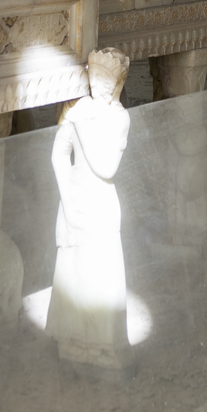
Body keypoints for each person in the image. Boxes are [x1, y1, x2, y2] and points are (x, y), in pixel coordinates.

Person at [46, 47, 132, 368]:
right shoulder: (78, 110)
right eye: (94, 77)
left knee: (101, 272)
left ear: (119, 81)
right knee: (75, 271)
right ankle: (74, 340)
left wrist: (82, 123)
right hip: (75, 196)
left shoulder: (119, 117)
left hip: (101, 200)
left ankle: (103, 345)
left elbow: (107, 168)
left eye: (107, 79)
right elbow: (58, 155)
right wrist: (67, 199)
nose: (99, 85)